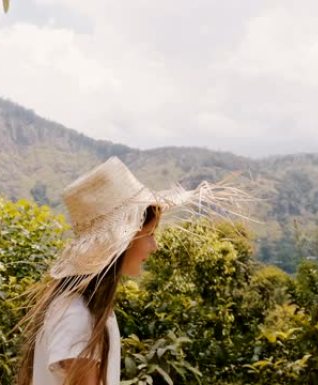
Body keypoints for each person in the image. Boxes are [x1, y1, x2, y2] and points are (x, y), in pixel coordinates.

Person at [15, 156, 246, 385]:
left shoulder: (83, 310)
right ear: (123, 240)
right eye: (150, 235)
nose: (154, 246)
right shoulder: (77, 316)